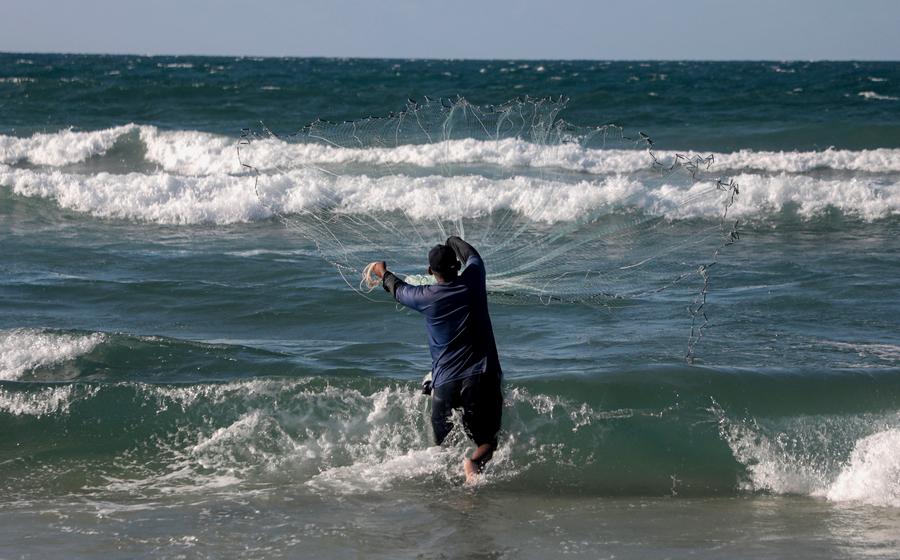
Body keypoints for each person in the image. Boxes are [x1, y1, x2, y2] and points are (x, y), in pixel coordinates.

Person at [367, 236, 503, 483]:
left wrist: (381, 271)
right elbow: (473, 255)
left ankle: (443, 498)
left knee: (442, 454)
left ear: (430, 272)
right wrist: (452, 240)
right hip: (480, 378)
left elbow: (396, 288)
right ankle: (473, 464)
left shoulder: (424, 296)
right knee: (488, 442)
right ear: (458, 266)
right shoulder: (473, 279)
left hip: (444, 386)